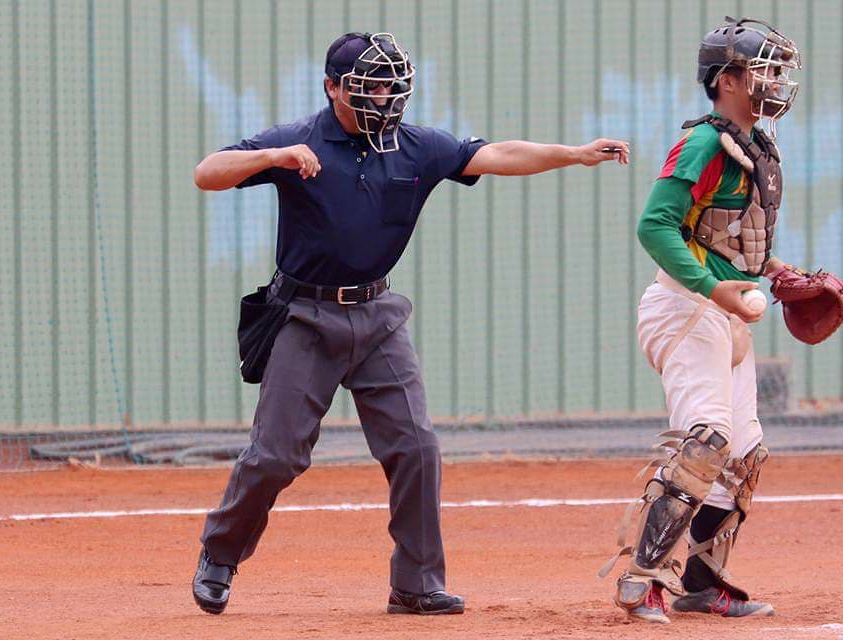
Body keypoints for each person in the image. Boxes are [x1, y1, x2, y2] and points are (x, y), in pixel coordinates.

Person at [192, 31, 630, 616]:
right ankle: (220, 555)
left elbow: (495, 155)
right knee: (277, 455)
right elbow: (208, 172)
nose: (383, 97)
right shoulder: (297, 138)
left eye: (390, 85)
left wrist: (573, 153)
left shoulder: (415, 145)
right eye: (367, 86)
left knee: (417, 447)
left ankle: (416, 583)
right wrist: (273, 158)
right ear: (332, 88)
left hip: (378, 318)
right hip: (306, 315)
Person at [600, 17, 801, 624]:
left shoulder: (757, 145)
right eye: (758, 69)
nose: (772, 80)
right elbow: (655, 226)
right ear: (727, 80)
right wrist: (715, 288)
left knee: (743, 455)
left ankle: (701, 581)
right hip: (685, 307)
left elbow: (731, 241)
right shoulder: (704, 143)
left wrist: (780, 275)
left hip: (724, 310)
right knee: (705, 442)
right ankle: (641, 582)